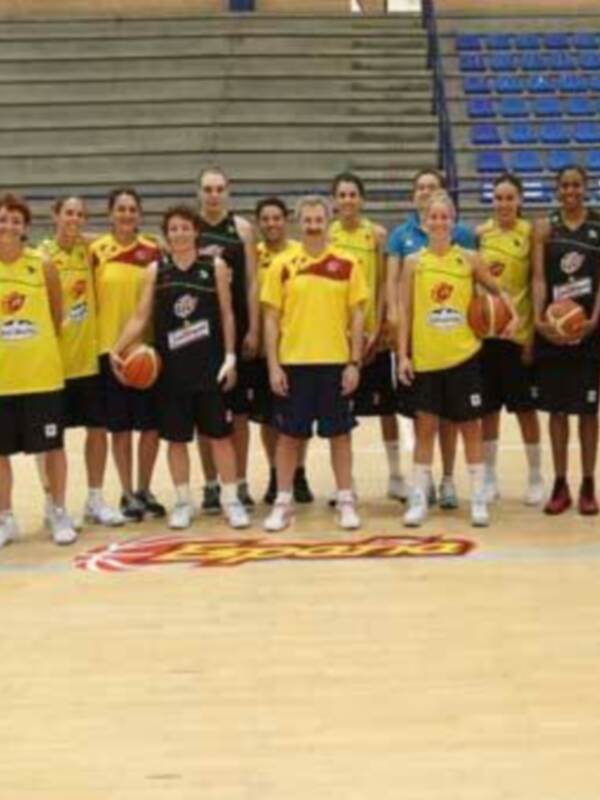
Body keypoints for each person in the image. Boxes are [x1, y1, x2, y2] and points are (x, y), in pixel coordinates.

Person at [111, 205, 249, 529]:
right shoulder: (156, 271)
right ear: (167, 234)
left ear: (195, 232)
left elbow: (228, 315)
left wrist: (230, 358)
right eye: (173, 229)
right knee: (176, 440)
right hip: (171, 372)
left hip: (210, 367)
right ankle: (184, 501)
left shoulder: (213, 266)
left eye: (185, 227)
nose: (180, 233)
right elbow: (140, 317)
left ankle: (231, 501)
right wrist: (116, 350)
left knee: (220, 437)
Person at [398, 191, 517, 528]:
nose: (438, 222)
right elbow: (403, 311)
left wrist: (511, 317)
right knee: (425, 429)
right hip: (426, 359)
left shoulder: (468, 259)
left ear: (453, 221)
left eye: (444, 216)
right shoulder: (413, 263)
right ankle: (419, 499)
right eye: (432, 217)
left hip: (464, 356)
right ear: (425, 222)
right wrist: (403, 355)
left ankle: (478, 498)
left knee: (470, 429)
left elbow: (497, 291)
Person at [261, 195, 367, 532]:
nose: (312, 225)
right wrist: (274, 366)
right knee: (289, 437)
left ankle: (346, 499)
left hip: (335, 362)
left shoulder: (348, 263)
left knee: (340, 436)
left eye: (318, 219)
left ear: (328, 220)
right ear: (298, 222)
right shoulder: (282, 265)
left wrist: (354, 363)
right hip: (294, 364)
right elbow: (271, 319)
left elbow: (358, 315)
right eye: (306, 220)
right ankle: (283, 501)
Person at [387, 169, 477, 509]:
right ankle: (421, 486)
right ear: (414, 197)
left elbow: (474, 286)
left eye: (432, 187)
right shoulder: (402, 236)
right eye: (420, 188)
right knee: (425, 418)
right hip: (419, 338)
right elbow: (396, 288)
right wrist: (397, 329)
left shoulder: (463, 236)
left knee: (452, 419)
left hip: (453, 340)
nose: (425, 193)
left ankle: (449, 479)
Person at [36, 196, 124, 526]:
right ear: (55, 215)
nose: (75, 219)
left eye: (80, 215)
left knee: (97, 430)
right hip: (53, 363)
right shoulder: (41, 257)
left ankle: (95, 499)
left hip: (87, 361)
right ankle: (51, 502)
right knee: (50, 438)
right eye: (69, 213)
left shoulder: (89, 251)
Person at [0, 193, 77, 546]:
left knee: (53, 447)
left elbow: (58, 317)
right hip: (3, 381)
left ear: (25, 227)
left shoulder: (42, 264)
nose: (8, 226)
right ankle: (5, 518)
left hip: (41, 376)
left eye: (15, 220)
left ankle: (57, 510)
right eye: (3, 219)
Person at [329, 171, 406, 501]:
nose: (347, 200)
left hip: (371, 335)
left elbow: (380, 284)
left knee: (385, 409)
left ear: (361, 199)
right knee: (341, 413)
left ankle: (395, 475)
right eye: (342, 195)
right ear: (335, 200)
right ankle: (348, 482)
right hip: (337, 337)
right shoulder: (328, 234)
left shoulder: (376, 234)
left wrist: (375, 332)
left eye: (352, 194)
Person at [90, 187, 165, 522]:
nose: (126, 214)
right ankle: (126, 493)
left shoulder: (153, 251)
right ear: (110, 214)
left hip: (145, 352)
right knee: (119, 429)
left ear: (139, 214)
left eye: (132, 209)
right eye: (120, 209)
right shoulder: (96, 251)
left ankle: (145, 488)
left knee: (149, 428)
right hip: (110, 351)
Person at [532, 165, 600, 515]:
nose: (570, 190)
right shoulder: (545, 227)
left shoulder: (598, 224)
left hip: (589, 332)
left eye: (576, 185)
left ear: (585, 187)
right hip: (553, 333)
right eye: (564, 185)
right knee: (556, 411)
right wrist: (541, 319)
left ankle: (589, 482)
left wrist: (594, 320)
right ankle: (560, 483)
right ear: (557, 189)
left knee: (588, 412)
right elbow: (540, 279)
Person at [476, 174, 545, 505]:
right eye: (498, 197)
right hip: (488, 337)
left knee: (524, 409)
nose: (503, 203)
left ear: (519, 200)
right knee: (488, 410)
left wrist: (531, 333)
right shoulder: (481, 234)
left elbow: (536, 282)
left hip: (518, 336)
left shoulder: (529, 233)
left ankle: (535, 476)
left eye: (509, 197)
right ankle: (489, 477)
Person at [196, 167, 259, 512]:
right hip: (201, 335)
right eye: (208, 189)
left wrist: (253, 329)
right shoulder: (189, 228)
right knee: (204, 415)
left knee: (239, 415)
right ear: (199, 192)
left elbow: (251, 281)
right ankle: (209, 484)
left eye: (219, 188)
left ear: (228, 191)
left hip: (237, 328)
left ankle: (241, 480)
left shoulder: (242, 229)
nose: (214, 194)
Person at [254, 196, 314, 505]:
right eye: (265, 219)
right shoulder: (255, 255)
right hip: (266, 349)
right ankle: (277, 473)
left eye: (276, 218)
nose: (271, 224)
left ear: (286, 220)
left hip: (296, 347)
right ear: (258, 224)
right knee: (268, 419)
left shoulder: (298, 253)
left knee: (296, 418)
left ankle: (299, 471)